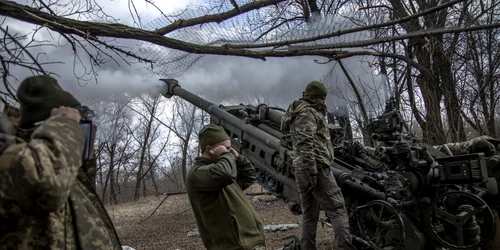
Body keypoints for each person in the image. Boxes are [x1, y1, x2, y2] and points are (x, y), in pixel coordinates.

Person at [0, 75, 122, 249]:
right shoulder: (16, 157)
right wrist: (65, 128)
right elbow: (46, 185)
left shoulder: (61, 165)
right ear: (47, 127)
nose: (77, 136)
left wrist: (82, 157)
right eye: (72, 128)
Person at [281, 80, 356, 250]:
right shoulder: (307, 114)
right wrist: (312, 172)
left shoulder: (301, 112)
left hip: (303, 169)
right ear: (313, 98)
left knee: (310, 214)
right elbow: (305, 144)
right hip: (316, 169)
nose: (323, 102)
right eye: (321, 98)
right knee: (338, 211)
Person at [186, 124, 266, 250]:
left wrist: (238, 159)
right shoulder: (198, 173)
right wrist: (225, 156)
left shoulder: (221, 170)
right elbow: (226, 174)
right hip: (233, 245)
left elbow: (248, 177)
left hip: (249, 242)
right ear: (209, 150)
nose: (229, 151)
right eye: (225, 148)